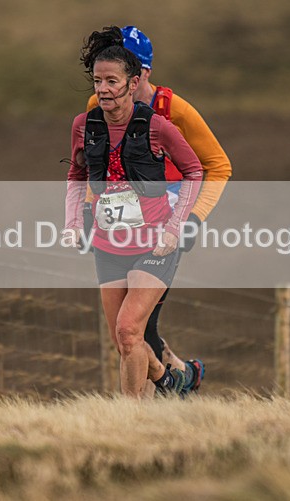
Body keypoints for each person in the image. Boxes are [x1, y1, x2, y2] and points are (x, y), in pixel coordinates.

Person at [85, 26, 232, 392]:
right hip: (119, 227)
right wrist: (90, 209)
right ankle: (180, 378)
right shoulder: (96, 107)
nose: (108, 88)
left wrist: (194, 218)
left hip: (164, 223)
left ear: (142, 74)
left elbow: (218, 166)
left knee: (135, 329)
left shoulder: (173, 110)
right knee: (133, 331)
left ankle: (157, 399)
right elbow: (93, 163)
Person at [64, 26, 203, 398]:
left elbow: (197, 170)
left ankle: (130, 420)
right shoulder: (85, 124)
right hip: (109, 245)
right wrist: (74, 221)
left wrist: (180, 224)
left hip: (156, 243)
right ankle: (171, 379)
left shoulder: (160, 124)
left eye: (112, 80)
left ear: (133, 82)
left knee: (130, 330)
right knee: (126, 341)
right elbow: (76, 172)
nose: (104, 88)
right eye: (97, 81)